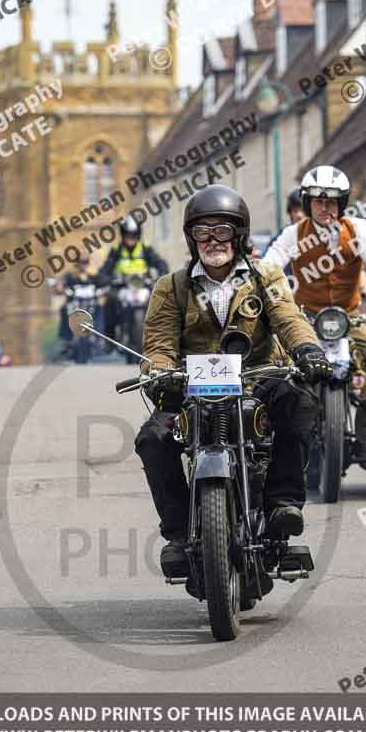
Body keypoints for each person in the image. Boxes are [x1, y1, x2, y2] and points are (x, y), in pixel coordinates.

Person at [134, 184, 332, 579]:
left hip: (258, 377)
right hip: (190, 386)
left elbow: (289, 319)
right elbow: (158, 342)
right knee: (152, 438)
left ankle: (283, 505)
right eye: (202, 232)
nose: (212, 241)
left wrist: (308, 350)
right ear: (191, 238)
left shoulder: (265, 277)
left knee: (300, 405)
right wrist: (157, 372)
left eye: (222, 231)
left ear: (238, 236)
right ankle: (176, 533)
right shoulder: (170, 287)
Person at [263, 165, 366, 471]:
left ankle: (365, 438)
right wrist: (257, 298)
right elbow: (268, 269)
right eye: (317, 201)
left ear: (341, 204)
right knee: (276, 366)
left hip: (348, 316)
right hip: (305, 317)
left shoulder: (358, 230)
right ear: (307, 203)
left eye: (331, 202)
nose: (325, 208)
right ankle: (275, 441)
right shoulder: (293, 234)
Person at [97, 218, 168, 340]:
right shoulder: (116, 249)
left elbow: (160, 263)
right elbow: (106, 268)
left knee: (162, 301)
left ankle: (163, 336)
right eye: (128, 235)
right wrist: (104, 278)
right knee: (109, 301)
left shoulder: (145, 248)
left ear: (138, 235)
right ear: (123, 235)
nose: (130, 238)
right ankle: (110, 337)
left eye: (134, 235)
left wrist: (162, 274)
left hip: (143, 284)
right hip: (121, 285)